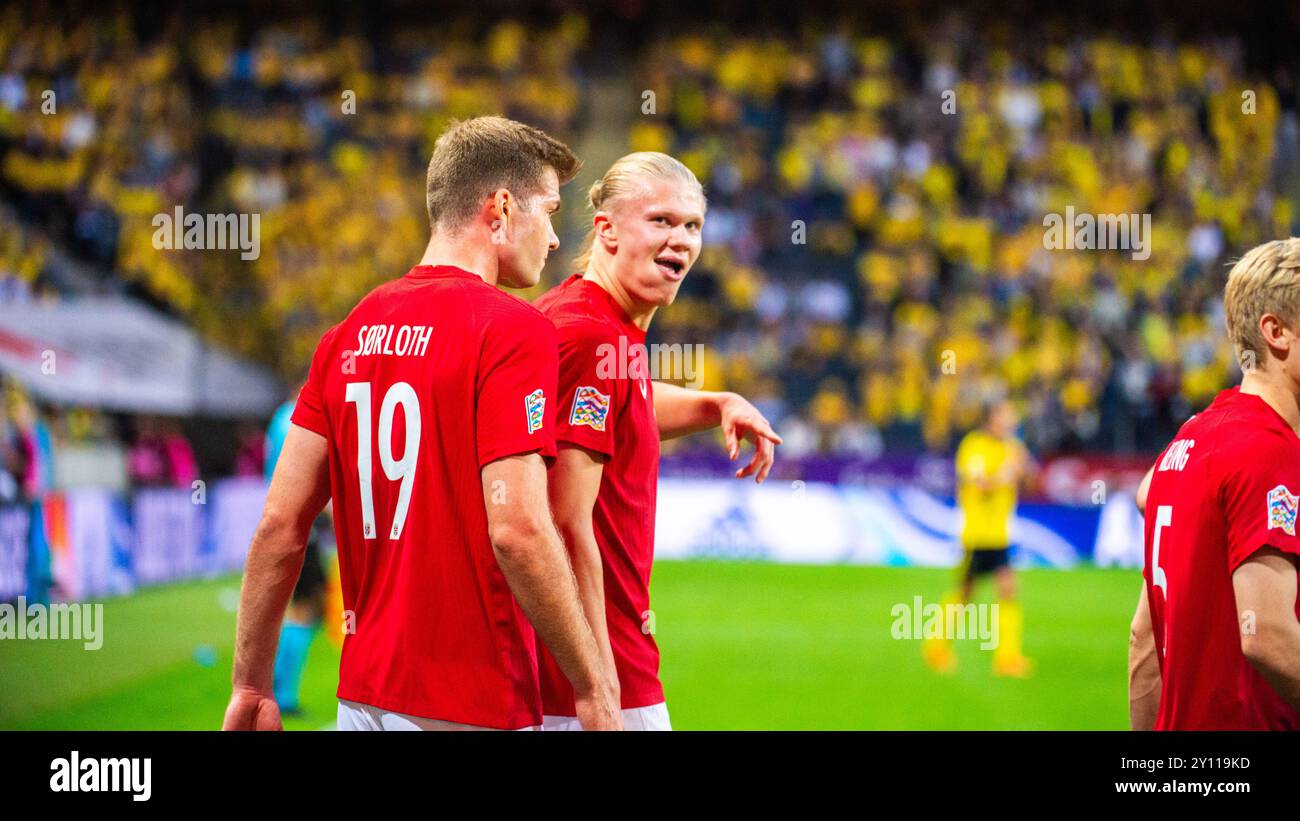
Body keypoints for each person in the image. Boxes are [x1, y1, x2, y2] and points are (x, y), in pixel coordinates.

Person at [222, 116, 620, 732]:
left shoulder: (348, 333)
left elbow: (280, 524)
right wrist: (593, 688)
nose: (551, 237)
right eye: (548, 210)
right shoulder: (513, 330)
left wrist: (251, 685)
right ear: (502, 209)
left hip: (363, 700)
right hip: (473, 702)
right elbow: (517, 530)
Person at [533, 152, 781, 730]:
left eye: (692, 225)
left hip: (568, 665)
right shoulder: (592, 338)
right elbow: (566, 522)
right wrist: (596, 679)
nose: (681, 239)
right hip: (596, 669)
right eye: (661, 221)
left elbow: (626, 404)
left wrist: (716, 403)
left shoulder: (587, 321)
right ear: (607, 231)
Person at [1129, 238, 1300, 730]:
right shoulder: (1268, 450)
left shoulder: (1194, 438)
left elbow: (1144, 642)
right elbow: (1266, 635)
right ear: (1277, 332)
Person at [923, 398, 1034, 677]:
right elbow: (979, 484)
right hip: (977, 533)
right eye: (1006, 415)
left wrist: (1023, 468)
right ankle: (936, 646)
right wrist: (1005, 473)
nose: (1011, 421)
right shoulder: (973, 446)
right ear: (991, 418)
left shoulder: (1012, 447)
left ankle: (1007, 658)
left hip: (1000, 533)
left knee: (1007, 588)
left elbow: (1032, 483)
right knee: (965, 592)